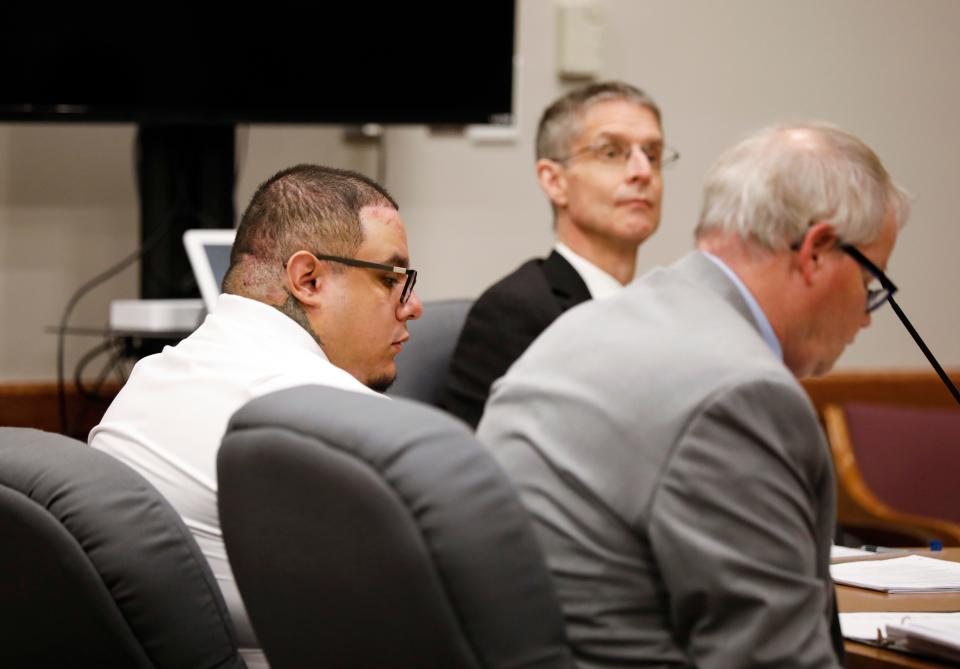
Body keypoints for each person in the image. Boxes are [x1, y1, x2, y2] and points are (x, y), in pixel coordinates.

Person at [477, 122, 909, 668]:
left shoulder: (591, 324)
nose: (867, 317)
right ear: (818, 250)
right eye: (872, 284)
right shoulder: (743, 393)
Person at [90, 164, 423, 666]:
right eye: (391, 278)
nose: (413, 305)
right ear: (308, 279)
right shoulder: (334, 416)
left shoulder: (149, 376)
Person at [442, 81, 677, 428]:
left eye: (653, 155)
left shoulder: (660, 309)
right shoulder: (514, 311)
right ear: (554, 181)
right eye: (612, 152)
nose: (643, 172)